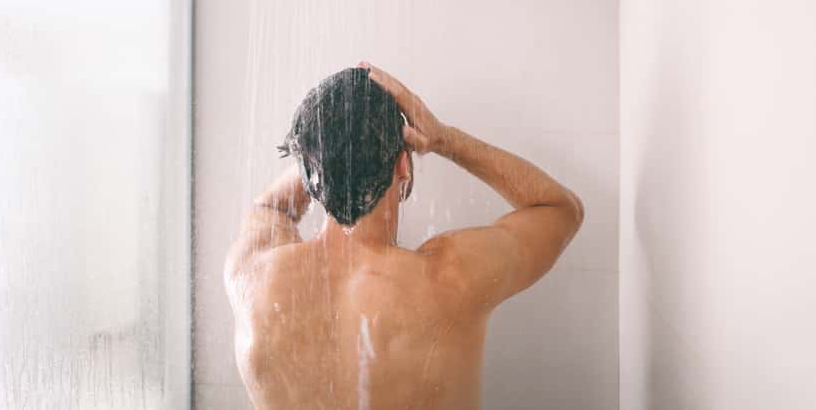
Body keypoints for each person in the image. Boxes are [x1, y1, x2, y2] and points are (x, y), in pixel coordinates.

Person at [224, 63, 584, 409]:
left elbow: (270, 207)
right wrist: (443, 139)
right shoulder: (451, 279)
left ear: (307, 170)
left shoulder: (253, 276)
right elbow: (559, 209)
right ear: (402, 164)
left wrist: (326, 155)